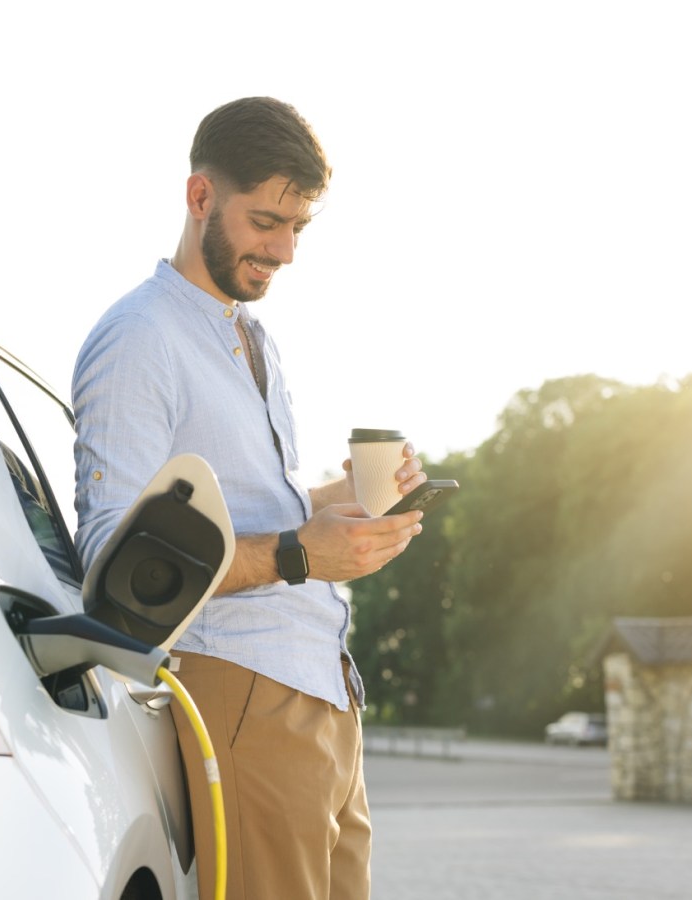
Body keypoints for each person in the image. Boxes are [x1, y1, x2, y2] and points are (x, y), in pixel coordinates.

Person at [71, 96, 428, 900]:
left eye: (299, 226)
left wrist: (353, 496)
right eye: (267, 221)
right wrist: (302, 555)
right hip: (240, 692)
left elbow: (251, 502)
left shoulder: (250, 335)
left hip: (322, 692)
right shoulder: (139, 339)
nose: (286, 249)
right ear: (200, 197)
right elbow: (115, 565)